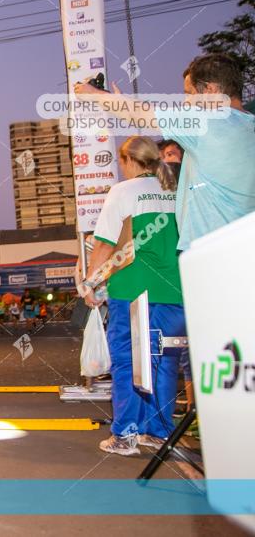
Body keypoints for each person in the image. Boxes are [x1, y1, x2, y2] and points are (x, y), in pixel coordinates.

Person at [74, 52, 255, 251]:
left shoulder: (209, 121)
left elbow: (139, 115)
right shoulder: (247, 125)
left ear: (211, 90)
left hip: (212, 252)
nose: (186, 103)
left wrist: (90, 93)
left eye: (190, 93)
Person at [80, 136, 185, 456]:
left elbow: (104, 245)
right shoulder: (175, 191)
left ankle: (125, 434)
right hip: (175, 291)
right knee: (165, 362)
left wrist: (91, 284)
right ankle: (157, 430)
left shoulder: (123, 191)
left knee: (127, 362)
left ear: (128, 161)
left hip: (132, 291)